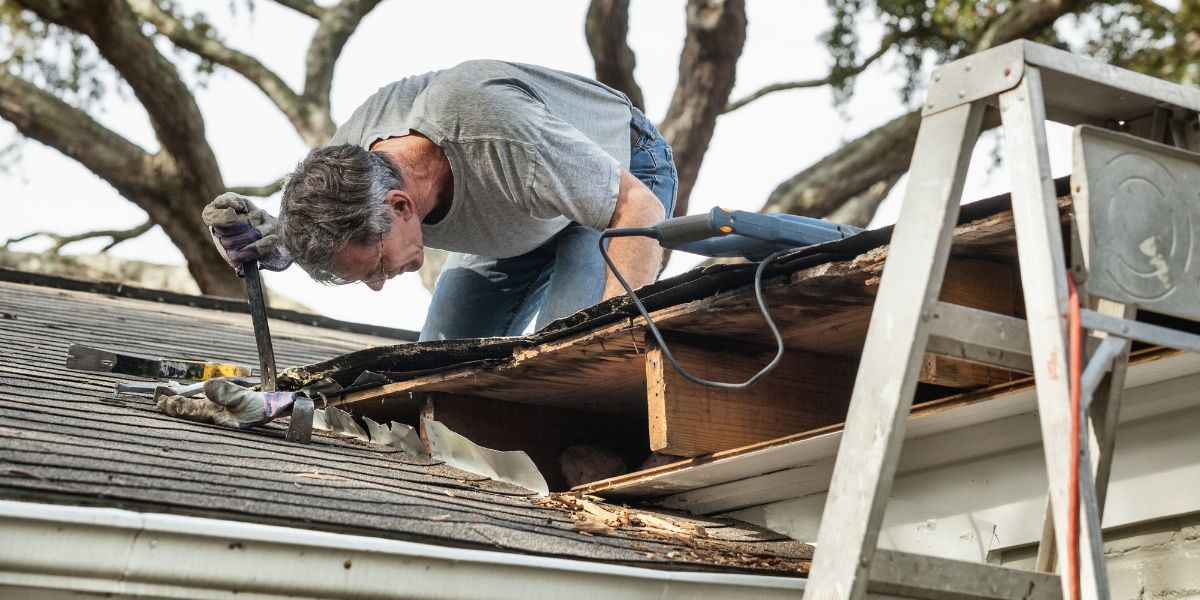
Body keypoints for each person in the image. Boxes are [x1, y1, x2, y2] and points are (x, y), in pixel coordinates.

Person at [204, 60, 676, 341]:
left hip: (618, 175)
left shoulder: (494, 133)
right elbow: (326, 235)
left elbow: (637, 208)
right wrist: (274, 240)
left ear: (401, 206)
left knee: (572, 348)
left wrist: (615, 343)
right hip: (518, 201)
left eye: (375, 267)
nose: (378, 285)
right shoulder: (347, 171)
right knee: (435, 369)